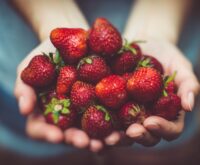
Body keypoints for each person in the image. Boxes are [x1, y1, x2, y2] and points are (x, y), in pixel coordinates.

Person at [0, 0, 199, 163]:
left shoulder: (124, 80)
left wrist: (156, 29)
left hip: (176, 31)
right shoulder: (79, 79)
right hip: (18, 51)